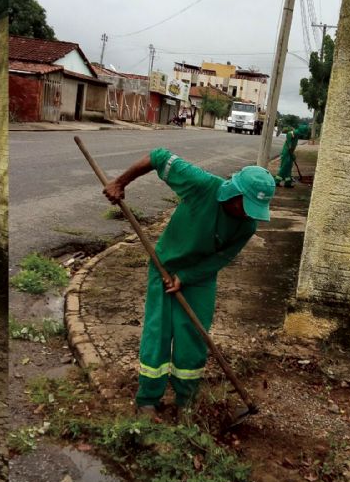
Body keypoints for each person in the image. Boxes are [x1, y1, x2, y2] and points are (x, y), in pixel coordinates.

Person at [103, 148, 274, 416]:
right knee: (157, 333)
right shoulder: (202, 185)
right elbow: (158, 157)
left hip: (200, 276)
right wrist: (119, 182)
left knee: (193, 337)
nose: (250, 214)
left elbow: (222, 258)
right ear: (235, 192)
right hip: (165, 266)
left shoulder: (247, 225)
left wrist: (188, 277)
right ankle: (148, 398)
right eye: (248, 205)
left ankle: (186, 400)